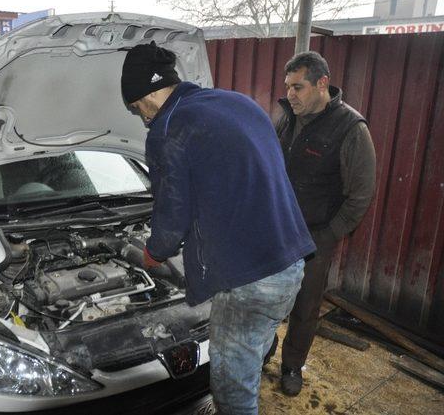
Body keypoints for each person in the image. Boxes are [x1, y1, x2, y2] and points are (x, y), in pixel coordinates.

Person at [120, 41, 316, 415]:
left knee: (230, 386)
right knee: (250, 357)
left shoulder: (169, 128)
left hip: (250, 282)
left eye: (135, 107)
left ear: (146, 93)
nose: (141, 116)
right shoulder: (236, 102)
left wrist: (153, 253)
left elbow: (172, 212)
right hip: (291, 262)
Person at [273, 51, 376, 396]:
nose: (290, 94)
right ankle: (264, 350)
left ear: (322, 84)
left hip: (315, 235)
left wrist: (328, 235)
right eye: (287, 86)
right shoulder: (287, 117)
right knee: (268, 296)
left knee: (305, 305)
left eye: (297, 87)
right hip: (277, 229)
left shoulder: (351, 128)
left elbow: (361, 195)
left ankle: (291, 366)